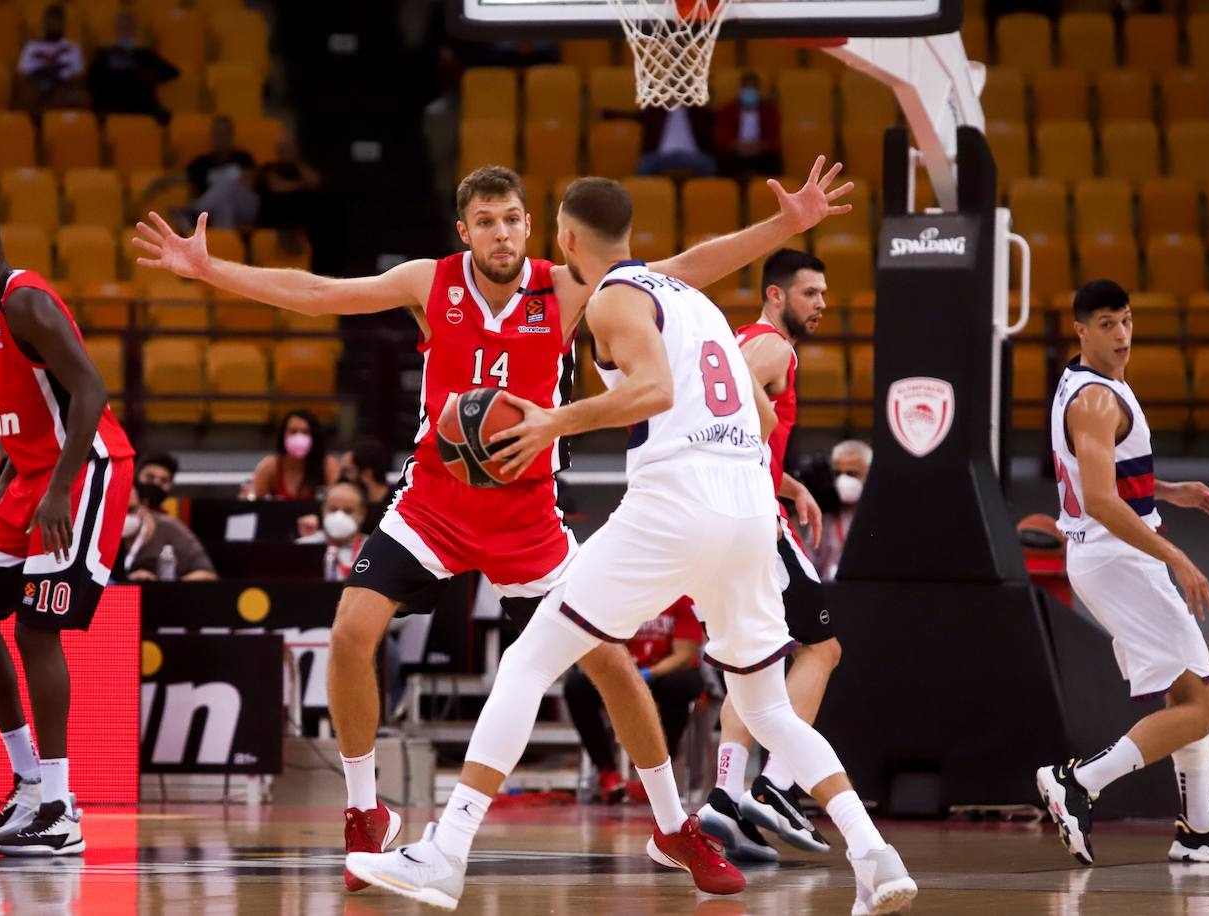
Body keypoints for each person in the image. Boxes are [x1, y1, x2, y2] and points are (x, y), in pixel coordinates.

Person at [132, 162, 843, 894]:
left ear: (532, 227)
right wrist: (209, 269)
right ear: (463, 230)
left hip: (527, 519)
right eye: (488, 221)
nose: (502, 232)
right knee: (350, 630)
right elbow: (319, 295)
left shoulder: (568, 288)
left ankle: (673, 826)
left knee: (611, 666)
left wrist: (785, 227)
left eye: (513, 218)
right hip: (434, 504)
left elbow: (684, 268)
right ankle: (364, 812)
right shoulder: (428, 282)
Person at [346, 174, 918, 916]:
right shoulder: (697, 303)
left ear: (564, 238)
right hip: (746, 512)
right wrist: (781, 227)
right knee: (769, 709)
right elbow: (759, 411)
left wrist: (555, 422)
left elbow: (649, 392)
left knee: (527, 662)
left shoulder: (615, 299)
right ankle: (875, 855)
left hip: (674, 507)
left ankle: (445, 855)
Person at [1037, 279, 1209, 866]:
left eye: (1127, 321)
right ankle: (1079, 780)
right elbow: (1102, 498)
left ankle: (1198, 827)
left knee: (1189, 692)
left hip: (1111, 554)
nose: (1121, 335)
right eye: (1107, 324)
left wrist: (1168, 490)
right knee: (1207, 706)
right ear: (1081, 329)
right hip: (1119, 557)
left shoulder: (1086, 383)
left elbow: (1107, 475)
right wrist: (1177, 557)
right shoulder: (1095, 399)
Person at [0, 205, 135, 856]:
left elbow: (91, 389)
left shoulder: (25, 301)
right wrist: (18, 474)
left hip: (81, 472)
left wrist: (55, 489)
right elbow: (31, 404)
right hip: (29, 478)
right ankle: (26, 785)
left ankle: (60, 806)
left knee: (34, 626)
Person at [697, 249, 836, 861]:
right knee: (824, 647)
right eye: (811, 294)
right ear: (777, 296)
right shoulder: (771, 347)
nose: (822, 305)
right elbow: (727, 422)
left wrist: (789, 481)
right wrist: (762, 487)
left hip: (727, 517)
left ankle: (726, 799)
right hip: (753, 524)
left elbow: (741, 432)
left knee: (753, 663)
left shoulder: (743, 342)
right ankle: (777, 784)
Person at [566, 595, 704, 804]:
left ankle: (658, 773)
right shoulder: (621, 593)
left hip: (662, 674)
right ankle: (606, 772)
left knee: (682, 686)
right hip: (623, 671)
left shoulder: (682, 599)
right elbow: (603, 646)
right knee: (577, 686)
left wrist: (648, 673)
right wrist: (626, 673)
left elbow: (684, 655)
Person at [88, 10, 180, 124]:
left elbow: (172, 72)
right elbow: (92, 80)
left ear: (135, 28)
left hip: (141, 105)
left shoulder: (146, 54)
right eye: (122, 25)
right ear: (117, 28)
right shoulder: (103, 54)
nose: (126, 28)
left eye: (129, 25)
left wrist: (151, 76)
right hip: (111, 106)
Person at [117, 486, 217, 582]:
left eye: (130, 510)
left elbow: (208, 575)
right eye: (117, 510)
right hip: (113, 597)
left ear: (144, 505)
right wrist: (126, 582)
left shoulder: (171, 529)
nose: (124, 516)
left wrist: (163, 586)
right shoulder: (102, 532)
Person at [187, 116, 259, 230]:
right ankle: (226, 242)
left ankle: (195, 212)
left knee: (226, 185)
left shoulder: (244, 158)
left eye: (225, 133)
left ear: (232, 135)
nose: (221, 138)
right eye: (218, 133)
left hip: (244, 205)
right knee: (224, 205)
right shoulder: (200, 163)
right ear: (212, 135)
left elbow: (250, 185)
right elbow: (192, 190)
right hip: (217, 209)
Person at [249, 410, 339, 500]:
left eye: (305, 432)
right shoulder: (270, 466)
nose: (299, 437)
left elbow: (338, 502)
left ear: (314, 436)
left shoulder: (327, 464)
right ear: (283, 435)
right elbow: (255, 503)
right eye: (293, 431)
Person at [816, 439, 872, 581]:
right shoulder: (823, 516)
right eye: (838, 473)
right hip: (829, 594)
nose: (843, 480)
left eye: (852, 474)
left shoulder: (881, 517)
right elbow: (809, 561)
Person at [17, 5, 86, 116]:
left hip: (63, 86)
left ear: (63, 24)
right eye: (48, 20)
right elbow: (22, 73)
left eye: (56, 21)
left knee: (80, 97)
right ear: (43, 22)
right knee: (27, 93)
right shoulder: (32, 46)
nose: (51, 24)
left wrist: (59, 84)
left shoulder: (73, 48)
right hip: (37, 84)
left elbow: (79, 75)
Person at [297, 481, 370, 581]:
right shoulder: (302, 547)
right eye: (333, 509)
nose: (339, 516)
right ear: (323, 509)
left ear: (362, 514)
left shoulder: (373, 550)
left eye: (348, 511)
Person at [715, 72, 782, 178]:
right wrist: (737, 145)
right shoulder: (727, 109)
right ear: (741, 89)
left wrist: (760, 146)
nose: (750, 91)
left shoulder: (770, 111)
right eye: (747, 87)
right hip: (736, 151)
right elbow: (723, 134)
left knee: (774, 160)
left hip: (761, 152)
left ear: (758, 90)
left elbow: (773, 137)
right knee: (723, 160)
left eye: (753, 88)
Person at [256, 137, 322, 235]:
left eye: (288, 148)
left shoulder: (301, 168)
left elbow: (315, 182)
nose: (285, 151)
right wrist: (303, 184)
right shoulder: (270, 167)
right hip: (275, 223)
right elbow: (277, 186)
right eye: (282, 148)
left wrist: (297, 163)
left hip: (302, 224)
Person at [635, 107, 717, 177]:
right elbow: (639, 116)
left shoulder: (697, 111)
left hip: (691, 155)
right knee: (644, 165)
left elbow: (711, 121)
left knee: (708, 164)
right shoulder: (656, 110)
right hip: (661, 155)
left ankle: (702, 194)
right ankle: (649, 194)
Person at [339, 437, 393, 534]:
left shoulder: (395, 508)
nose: (344, 478)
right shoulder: (344, 505)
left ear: (367, 473)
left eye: (349, 471)